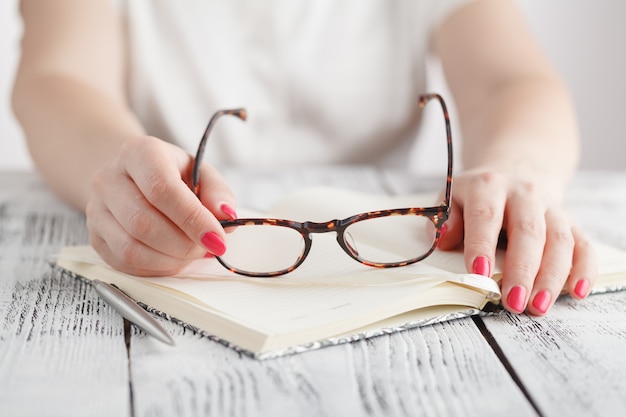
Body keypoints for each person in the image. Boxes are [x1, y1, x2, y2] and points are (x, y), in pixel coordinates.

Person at [12, 0, 597, 316]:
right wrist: (120, 173)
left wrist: (520, 172)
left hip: (396, 256)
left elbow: (512, 83)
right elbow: (57, 78)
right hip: (188, 249)